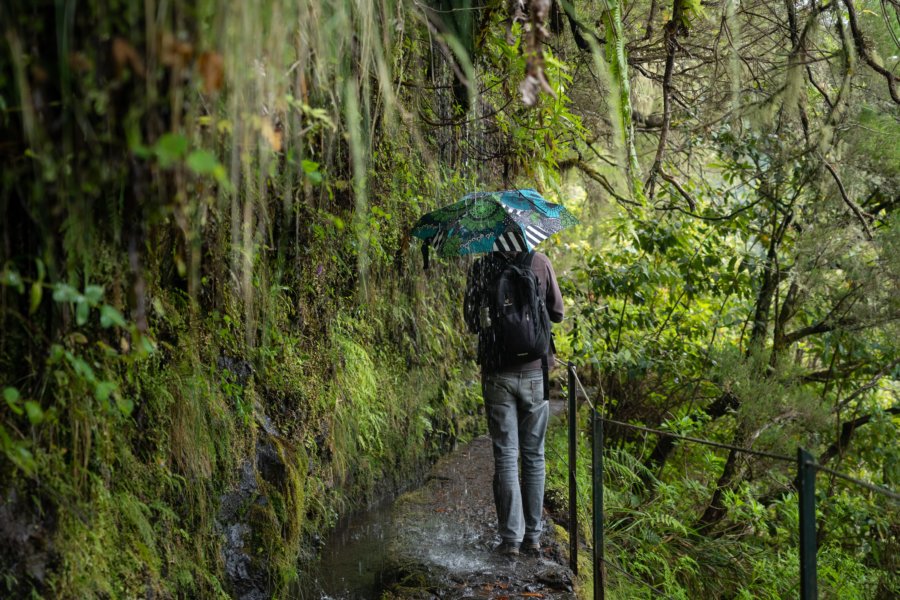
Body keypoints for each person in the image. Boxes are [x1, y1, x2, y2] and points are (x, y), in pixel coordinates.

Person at [464, 250, 564, 557]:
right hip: (535, 372)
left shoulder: (482, 267)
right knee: (534, 456)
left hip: (496, 374)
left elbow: (472, 321)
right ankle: (533, 537)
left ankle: (511, 539)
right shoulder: (540, 261)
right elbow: (557, 313)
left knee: (506, 456)